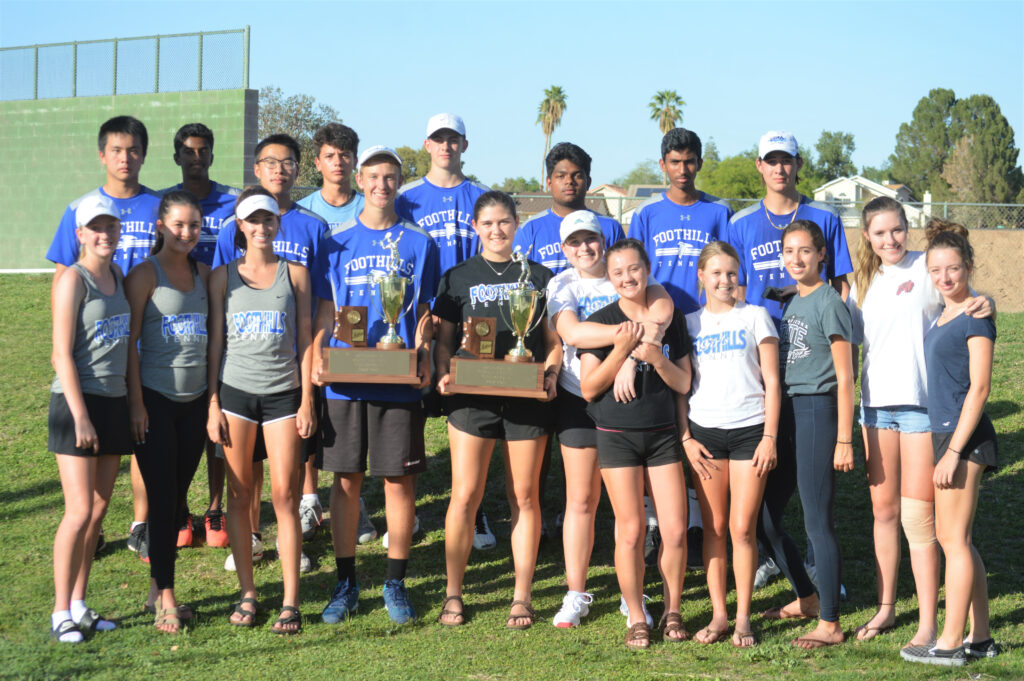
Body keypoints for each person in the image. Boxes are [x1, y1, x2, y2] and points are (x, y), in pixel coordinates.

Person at [846, 199, 991, 648]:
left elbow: (962, 297)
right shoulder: (858, 284)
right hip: (874, 409)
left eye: (897, 230)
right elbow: (847, 344)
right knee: (883, 513)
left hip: (919, 410)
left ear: (906, 229)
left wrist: (987, 301)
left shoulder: (925, 269)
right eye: (880, 233)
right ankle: (887, 608)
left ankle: (928, 622)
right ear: (867, 236)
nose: (890, 240)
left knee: (917, 520)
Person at [311, 146, 439, 625]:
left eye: (391, 177)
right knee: (345, 481)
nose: (382, 185)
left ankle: (395, 582)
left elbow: (425, 311)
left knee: (398, 481)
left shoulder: (419, 242)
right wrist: (320, 359)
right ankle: (345, 583)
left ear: (398, 183)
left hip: (398, 376)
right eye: (374, 176)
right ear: (360, 181)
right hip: (346, 378)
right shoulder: (336, 240)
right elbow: (325, 308)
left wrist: (424, 352)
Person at [434, 191, 561, 629]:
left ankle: (521, 596)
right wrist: (443, 373)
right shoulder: (457, 277)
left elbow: (552, 340)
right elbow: (444, 340)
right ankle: (454, 593)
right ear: (475, 227)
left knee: (524, 497)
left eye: (504, 222)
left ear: (516, 223)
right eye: (487, 223)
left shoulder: (540, 276)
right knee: (465, 495)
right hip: (472, 399)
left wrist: (551, 373)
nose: (496, 230)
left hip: (526, 399)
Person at [546, 211, 673, 629]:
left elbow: (662, 310)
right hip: (577, 395)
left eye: (591, 240)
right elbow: (574, 334)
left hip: (627, 400)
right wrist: (627, 343)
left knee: (631, 509)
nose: (584, 249)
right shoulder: (560, 283)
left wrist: (627, 358)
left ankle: (629, 594)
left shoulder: (627, 273)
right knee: (581, 499)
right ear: (564, 249)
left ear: (604, 241)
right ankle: (575, 592)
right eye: (574, 242)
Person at [47, 115, 161, 562]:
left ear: (143, 155)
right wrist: (64, 347)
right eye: (116, 149)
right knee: (84, 489)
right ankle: (81, 543)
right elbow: (62, 278)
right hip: (91, 350)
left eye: (133, 150)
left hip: (142, 343)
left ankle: (141, 520)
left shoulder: (158, 206)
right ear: (102, 155)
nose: (125, 157)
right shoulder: (79, 208)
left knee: (139, 430)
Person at [212, 134, 328, 573]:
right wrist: (214, 399)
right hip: (239, 381)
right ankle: (252, 537)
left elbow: (315, 308)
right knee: (246, 476)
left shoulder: (310, 229)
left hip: (285, 378)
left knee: (287, 481)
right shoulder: (228, 252)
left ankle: (288, 541)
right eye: (270, 162)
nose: (261, 227)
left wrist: (311, 374)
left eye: (287, 163)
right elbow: (221, 327)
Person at [206, 187, 315, 634]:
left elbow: (306, 338)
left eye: (268, 219)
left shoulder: (297, 274)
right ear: (240, 226)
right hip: (235, 394)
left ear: (277, 223)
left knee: (286, 496)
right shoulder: (221, 277)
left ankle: (291, 600)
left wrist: (308, 398)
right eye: (253, 220)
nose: (262, 227)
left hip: (284, 395)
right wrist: (212, 402)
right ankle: (248, 594)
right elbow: (216, 343)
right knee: (239, 493)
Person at [578, 238, 692, 649]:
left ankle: (673, 609)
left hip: (662, 438)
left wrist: (654, 358)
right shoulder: (601, 322)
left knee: (676, 531)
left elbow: (683, 383)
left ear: (647, 269)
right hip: (617, 438)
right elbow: (590, 389)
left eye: (633, 269)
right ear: (609, 279)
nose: (627, 278)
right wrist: (621, 353)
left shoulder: (669, 318)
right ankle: (637, 617)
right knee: (630, 532)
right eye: (618, 273)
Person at [630, 126, 733, 567]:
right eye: (675, 162)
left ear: (699, 164)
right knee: (661, 422)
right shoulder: (647, 214)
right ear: (663, 165)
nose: (683, 169)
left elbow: (728, 264)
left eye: (690, 161)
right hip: (660, 327)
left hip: (705, 326)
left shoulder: (718, 211)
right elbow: (634, 273)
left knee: (696, 416)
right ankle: (658, 525)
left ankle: (695, 523)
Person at [395, 112, 494, 549]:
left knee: (476, 410)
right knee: (409, 413)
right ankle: (406, 510)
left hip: (470, 318)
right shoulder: (407, 197)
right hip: (417, 315)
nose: (446, 146)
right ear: (427, 145)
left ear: (464, 146)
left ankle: (477, 512)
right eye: (439, 139)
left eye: (453, 139)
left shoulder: (481, 196)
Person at [901, 223, 998, 667]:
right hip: (945, 433)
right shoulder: (943, 313)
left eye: (953, 269)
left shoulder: (976, 315)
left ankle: (950, 642)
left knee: (952, 539)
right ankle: (980, 638)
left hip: (964, 437)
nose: (944, 277)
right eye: (936, 270)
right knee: (961, 540)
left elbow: (980, 389)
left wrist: (954, 452)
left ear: (968, 268)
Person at [758, 220, 854, 649]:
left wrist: (845, 438)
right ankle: (807, 597)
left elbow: (846, 377)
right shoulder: (794, 299)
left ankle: (830, 624)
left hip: (819, 409)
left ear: (822, 256)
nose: (796, 259)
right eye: (789, 251)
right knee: (762, 516)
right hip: (790, 413)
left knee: (817, 520)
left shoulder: (831, 302)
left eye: (805, 251)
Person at [679, 241, 780, 648]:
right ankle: (719, 615)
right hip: (704, 433)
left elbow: (773, 382)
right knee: (714, 528)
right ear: (701, 277)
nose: (725, 281)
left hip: (750, 431)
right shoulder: (688, 324)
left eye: (731, 273)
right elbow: (681, 388)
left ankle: (743, 619)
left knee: (742, 528)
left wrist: (770, 436)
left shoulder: (756, 316)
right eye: (716, 273)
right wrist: (684, 437)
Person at [48, 194, 132, 643]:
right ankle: (60, 610)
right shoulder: (73, 280)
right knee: (78, 511)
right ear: (79, 234)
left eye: (111, 227)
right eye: (94, 228)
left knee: (99, 509)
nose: (104, 234)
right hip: (77, 404)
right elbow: (61, 354)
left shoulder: (117, 275)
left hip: (112, 400)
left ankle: (79, 603)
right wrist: (81, 417)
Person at [125, 191, 210, 634]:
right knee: (161, 499)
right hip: (155, 400)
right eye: (178, 224)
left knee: (176, 499)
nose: (186, 232)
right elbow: (129, 342)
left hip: (194, 402)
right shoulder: (144, 275)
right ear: (160, 225)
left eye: (194, 225)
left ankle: (155, 589)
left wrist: (211, 400)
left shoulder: (205, 274)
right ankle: (169, 600)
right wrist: (136, 403)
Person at [161, 122, 239, 550]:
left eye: (203, 150)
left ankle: (214, 508)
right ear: (178, 157)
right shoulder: (167, 203)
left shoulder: (232, 202)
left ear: (211, 155)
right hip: (178, 322)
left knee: (216, 420)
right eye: (188, 151)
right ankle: (175, 509)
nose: (196, 157)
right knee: (174, 417)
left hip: (223, 319)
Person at [296, 123, 366, 545]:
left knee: (350, 422)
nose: (338, 162)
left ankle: (354, 503)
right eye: (330, 155)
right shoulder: (305, 211)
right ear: (318, 161)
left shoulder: (370, 205)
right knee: (309, 416)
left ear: (354, 161)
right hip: (313, 328)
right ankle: (309, 498)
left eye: (345, 155)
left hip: (361, 335)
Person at [726, 131, 853, 324]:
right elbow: (738, 289)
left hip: (815, 334)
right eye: (771, 161)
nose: (779, 169)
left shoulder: (826, 216)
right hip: (762, 336)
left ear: (798, 163)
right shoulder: (740, 223)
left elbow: (839, 283)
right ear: (759, 165)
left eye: (786, 160)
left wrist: (843, 333)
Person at [514, 142, 624, 275]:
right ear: (549, 183)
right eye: (561, 176)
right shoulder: (529, 230)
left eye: (577, 175)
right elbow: (519, 279)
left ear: (588, 182)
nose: (569, 181)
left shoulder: (610, 227)